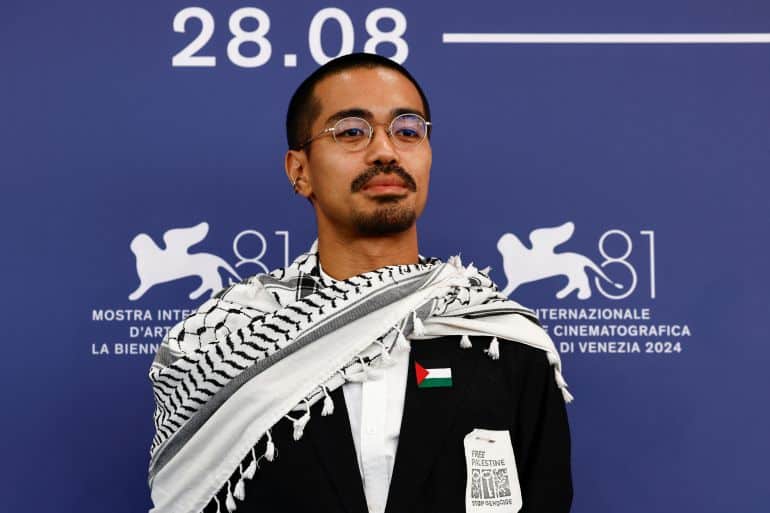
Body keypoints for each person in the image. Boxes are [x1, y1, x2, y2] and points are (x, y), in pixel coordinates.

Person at [147, 53, 573, 513]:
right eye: (351, 131)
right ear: (299, 170)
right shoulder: (222, 346)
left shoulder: (504, 340)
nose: (386, 151)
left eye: (407, 130)